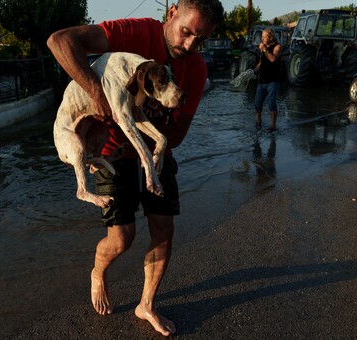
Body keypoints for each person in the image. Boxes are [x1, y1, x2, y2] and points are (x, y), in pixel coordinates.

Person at [47, 0, 224, 336]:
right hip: (109, 151)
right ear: (172, 13)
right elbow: (59, 41)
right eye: (186, 32)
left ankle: (147, 305)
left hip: (154, 152)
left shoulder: (197, 70)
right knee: (122, 239)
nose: (189, 45)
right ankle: (98, 271)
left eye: (200, 40)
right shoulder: (135, 32)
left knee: (163, 230)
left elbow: (177, 135)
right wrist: (97, 93)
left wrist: (155, 153)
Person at [253, 28, 282, 132]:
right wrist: (252, 71)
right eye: (262, 37)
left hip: (272, 81)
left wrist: (264, 49)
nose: (262, 39)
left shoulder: (277, 47)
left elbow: (273, 59)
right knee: (257, 104)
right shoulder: (263, 48)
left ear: (271, 37)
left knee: (271, 104)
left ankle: (273, 126)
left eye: (264, 37)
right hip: (262, 81)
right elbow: (261, 63)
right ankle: (258, 123)